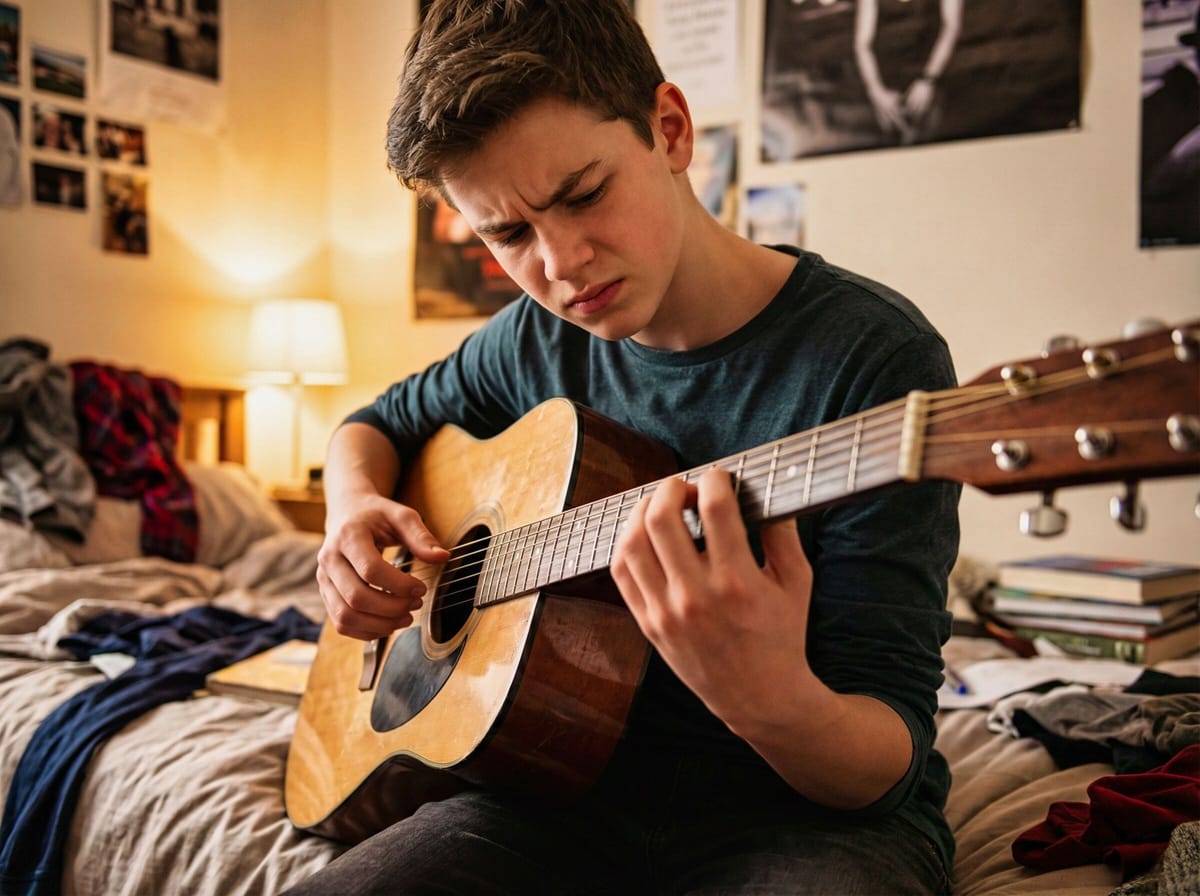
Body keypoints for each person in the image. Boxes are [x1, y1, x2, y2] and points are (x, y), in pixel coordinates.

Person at [287, 1, 960, 893]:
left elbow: (888, 760)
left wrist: (763, 694)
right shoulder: (534, 340)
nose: (560, 264)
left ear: (669, 130)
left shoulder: (876, 360)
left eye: (584, 194)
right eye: (508, 234)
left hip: (808, 820)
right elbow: (374, 423)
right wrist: (350, 513)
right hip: (543, 794)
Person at [853, 0, 963, 145]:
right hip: (886, 82)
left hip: (932, 73)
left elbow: (951, 28)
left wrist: (928, 80)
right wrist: (876, 90)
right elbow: (862, 45)